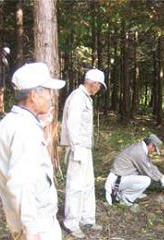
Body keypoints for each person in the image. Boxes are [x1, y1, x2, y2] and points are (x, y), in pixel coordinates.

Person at [0, 62, 65, 240]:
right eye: (48, 91)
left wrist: (39, 124)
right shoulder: (26, 131)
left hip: (24, 219)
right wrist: (32, 229)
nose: (51, 97)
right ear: (33, 95)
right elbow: (20, 182)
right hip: (38, 224)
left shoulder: (12, 122)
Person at [60, 69, 106, 239]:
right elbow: (73, 124)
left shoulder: (85, 97)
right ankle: (71, 222)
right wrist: (76, 148)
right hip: (78, 149)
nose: (99, 89)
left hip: (85, 149)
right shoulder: (78, 97)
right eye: (99, 85)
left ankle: (87, 219)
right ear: (93, 83)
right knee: (76, 186)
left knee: (87, 185)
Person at [104, 134, 164, 206]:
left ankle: (131, 194)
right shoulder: (139, 153)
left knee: (141, 176)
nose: (153, 151)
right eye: (154, 149)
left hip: (121, 177)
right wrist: (160, 179)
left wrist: (162, 176)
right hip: (117, 180)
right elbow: (147, 171)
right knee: (146, 180)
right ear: (151, 145)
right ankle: (124, 198)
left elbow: (150, 165)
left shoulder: (140, 148)